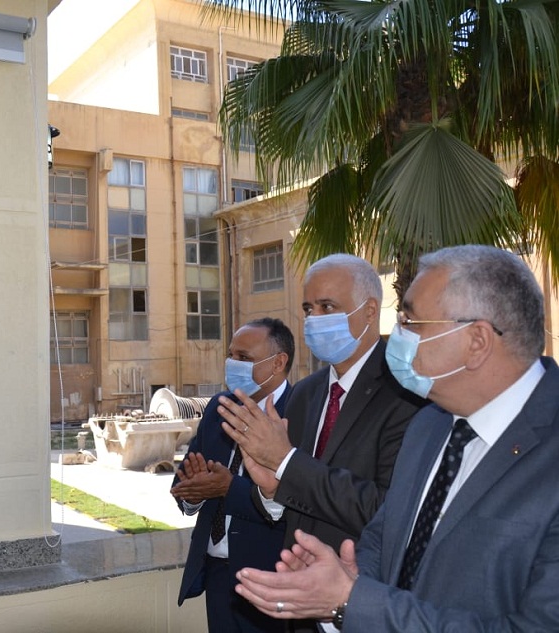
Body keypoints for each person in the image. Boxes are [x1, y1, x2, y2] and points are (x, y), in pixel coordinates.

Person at [233, 244, 559, 631]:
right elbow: (384, 538)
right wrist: (343, 584)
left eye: (412, 322)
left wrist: (352, 602)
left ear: (477, 341)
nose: (399, 334)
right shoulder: (430, 426)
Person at [217, 254, 425, 632]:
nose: (313, 320)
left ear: (370, 311)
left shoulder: (407, 393)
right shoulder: (306, 393)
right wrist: (271, 490)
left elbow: (389, 511)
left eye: (327, 307)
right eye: (308, 309)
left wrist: (286, 461)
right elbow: (296, 499)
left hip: (366, 604)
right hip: (300, 605)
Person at [171, 317, 295, 633]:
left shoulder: (300, 414)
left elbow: (298, 502)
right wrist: (193, 493)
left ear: (278, 362)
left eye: (244, 357)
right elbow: (184, 480)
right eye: (230, 355)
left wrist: (229, 489)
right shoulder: (219, 408)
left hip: (271, 576)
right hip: (217, 574)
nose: (232, 364)